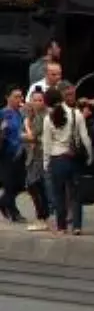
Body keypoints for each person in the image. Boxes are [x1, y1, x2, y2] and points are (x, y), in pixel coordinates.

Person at [41, 87, 90, 235]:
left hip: (57, 159)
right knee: (75, 194)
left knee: (59, 194)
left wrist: (46, 162)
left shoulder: (48, 119)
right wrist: (90, 156)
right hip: (73, 158)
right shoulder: (76, 114)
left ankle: (61, 226)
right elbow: (85, 138)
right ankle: (77, 226)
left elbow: (47, 144)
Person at [21, 89, 50, 232]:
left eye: (40, 100)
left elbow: (33, 136)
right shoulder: (31, 115)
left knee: (34, 185)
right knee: (34, 186)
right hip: (31, 156)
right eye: (35, 100)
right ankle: (42, 216)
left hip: (41, 155)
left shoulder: (45, 116)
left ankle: (42, 217)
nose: (38, 103)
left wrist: (26, 129)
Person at [0, 86, 25, 223]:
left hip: (20, 152)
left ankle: (4, 203)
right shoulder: (3, 113)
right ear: (8, 97)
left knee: (20, 184)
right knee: (10, 184)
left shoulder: (20, 113)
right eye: (16, 96)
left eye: (21, 96)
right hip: (7, 153)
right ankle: (13, 211)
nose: (19, 99)